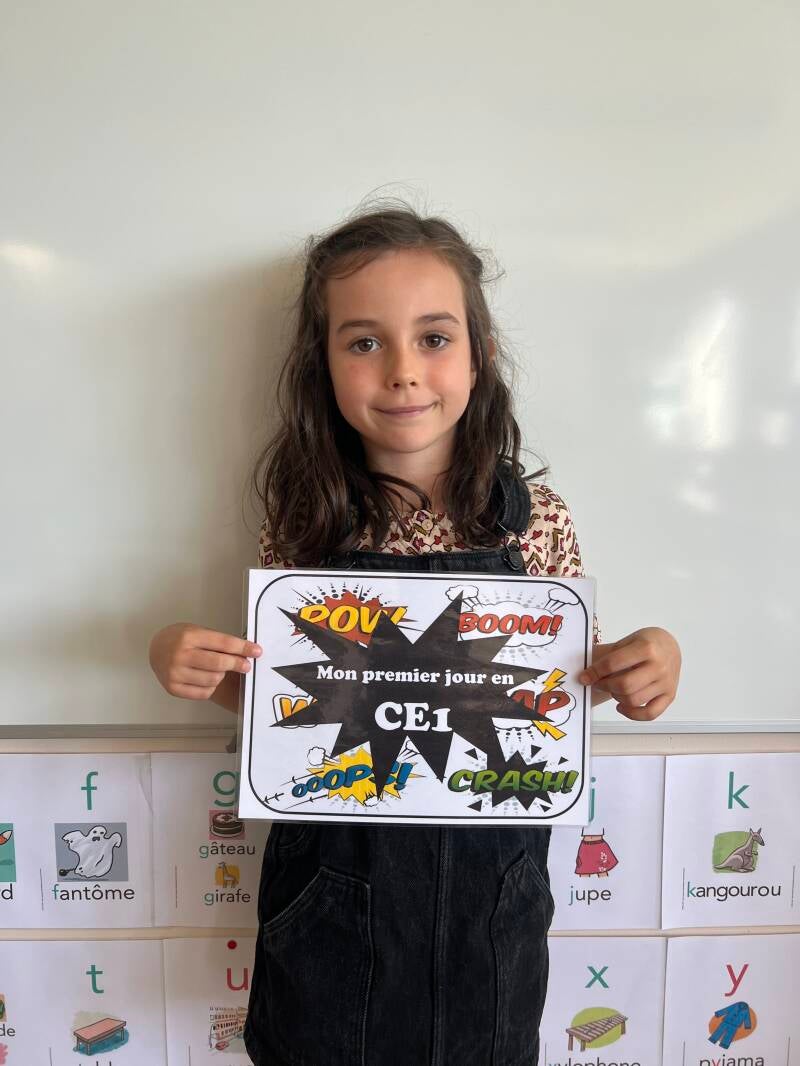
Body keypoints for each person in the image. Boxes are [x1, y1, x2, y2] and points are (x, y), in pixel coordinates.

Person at [149, 200, 681, 1066]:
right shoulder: (306, 520)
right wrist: (191, 662)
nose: (403, 372)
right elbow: (285, 706)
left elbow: (565, 694)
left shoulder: (535, 519)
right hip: (334, 886)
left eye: (433, 338)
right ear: (322, 365)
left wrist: (647, 666)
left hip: (490, 894)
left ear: (480, 355)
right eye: (364, 342)